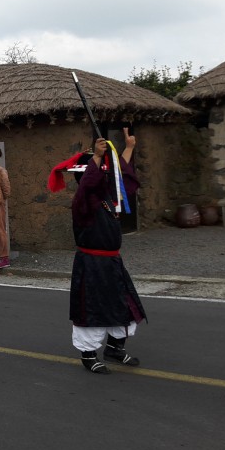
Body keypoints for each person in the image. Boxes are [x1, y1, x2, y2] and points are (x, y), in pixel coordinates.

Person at [49, 129, 146, 374]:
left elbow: (121, 175)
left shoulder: (109, 196)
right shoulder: (83, 201)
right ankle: (88, 355)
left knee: (126, 306)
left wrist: (129, 147)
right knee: (91, 310)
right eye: (97, 170)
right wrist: (95, 157)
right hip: (90, 264)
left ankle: (114, 348)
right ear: (87, 176)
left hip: (113, 264)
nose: (103, 175)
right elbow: (91, 181)